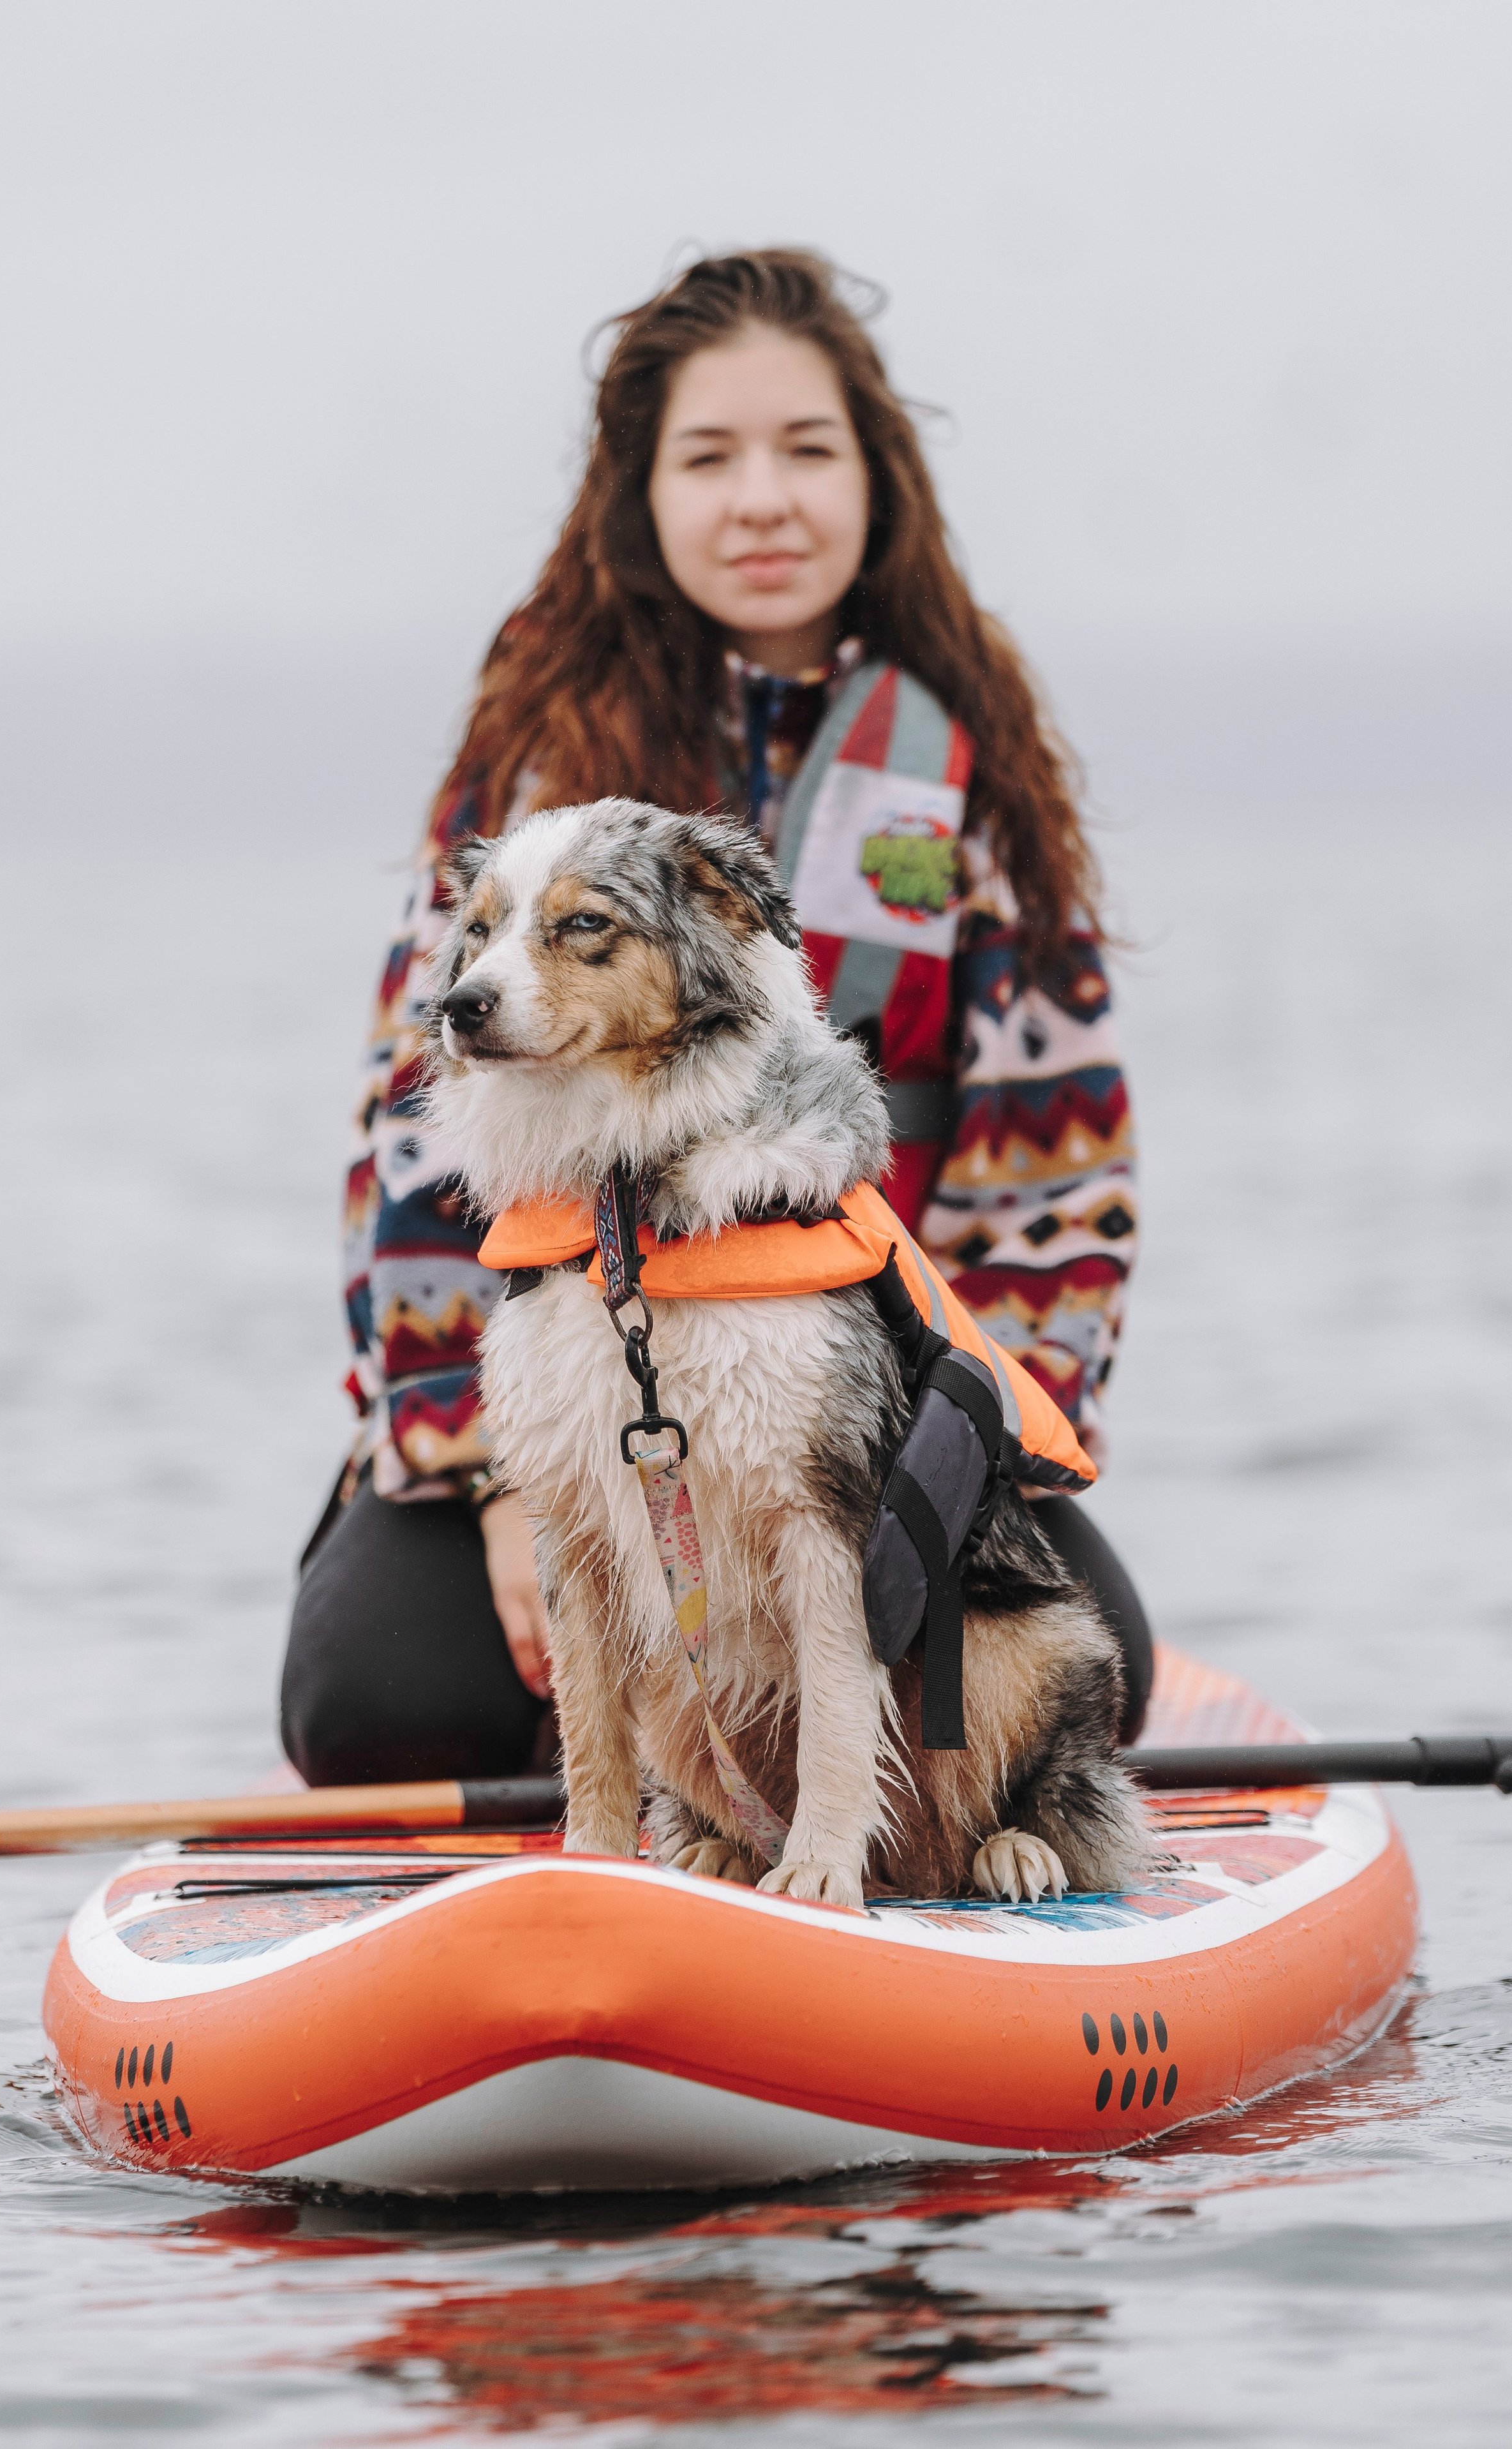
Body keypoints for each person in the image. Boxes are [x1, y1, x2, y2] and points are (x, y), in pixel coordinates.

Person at [280, 249, 1149, 1789]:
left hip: (853, 1399)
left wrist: (941, 1461)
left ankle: (823, 1765)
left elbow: (1056, 1190)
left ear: (876, 480)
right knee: (372, 1703)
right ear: (641, 491)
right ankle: (641, 1758)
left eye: (806, 450)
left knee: (1106, 1660)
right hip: (563, 1399)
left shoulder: (968, 778)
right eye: (710, 455)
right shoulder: (529, 767)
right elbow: (407, 1153)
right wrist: (490, 1481)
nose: (762, 498)